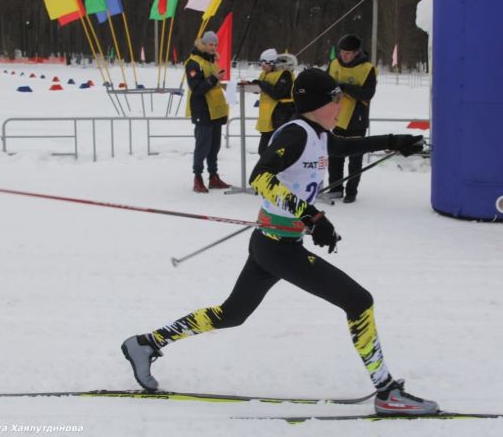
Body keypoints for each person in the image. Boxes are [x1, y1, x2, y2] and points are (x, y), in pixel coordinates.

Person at [122, 68, 439, 416]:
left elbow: (347, 146)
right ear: (318, 104)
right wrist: (310, 216)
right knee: (359, 302)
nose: (340, 105)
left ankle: (146, 343)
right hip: (278, 249)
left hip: (272, 243)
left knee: (231, 314)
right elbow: (261, 177)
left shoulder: (317, 134)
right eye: (335, 99)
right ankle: (387, 392)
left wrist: (394, 141)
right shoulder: (296, 134)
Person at [326, 34, 378, 203]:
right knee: (335, 157)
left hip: (357, 119)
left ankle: (351, 191)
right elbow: (325, 85)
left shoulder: (367, 68)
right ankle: (335, 189)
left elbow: (368, 94)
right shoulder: (334, 64)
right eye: (342, 52)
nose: (344, 56)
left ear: (356, 52)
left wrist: (346, 87)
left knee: (355, 159)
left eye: (348, 53)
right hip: (336, 117)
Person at [185, 30, 232, 193]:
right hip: (202, 110)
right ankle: (197, 177)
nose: (213, 47)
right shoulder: (193, 63)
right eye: (210, 44)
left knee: (214, 146)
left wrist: (225, 85)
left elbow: (214, 84)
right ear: (203, 44)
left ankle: (213, 176)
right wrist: (214, 78)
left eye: (215, 45)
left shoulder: (213, 61)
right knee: (203, 145)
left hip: (216, 110)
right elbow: (197, 88)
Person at [253, 48, 295, 154]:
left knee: (276, 152)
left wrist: (262, 84)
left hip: (280, 117)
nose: (261, 66)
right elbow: (263, 88)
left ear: (271, 63)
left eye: (263, 63)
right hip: (267, 118)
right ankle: (266, 169)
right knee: (263, 151)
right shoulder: (264, 73)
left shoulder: (285, 75)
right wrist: (252, 85)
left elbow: (278, 93)